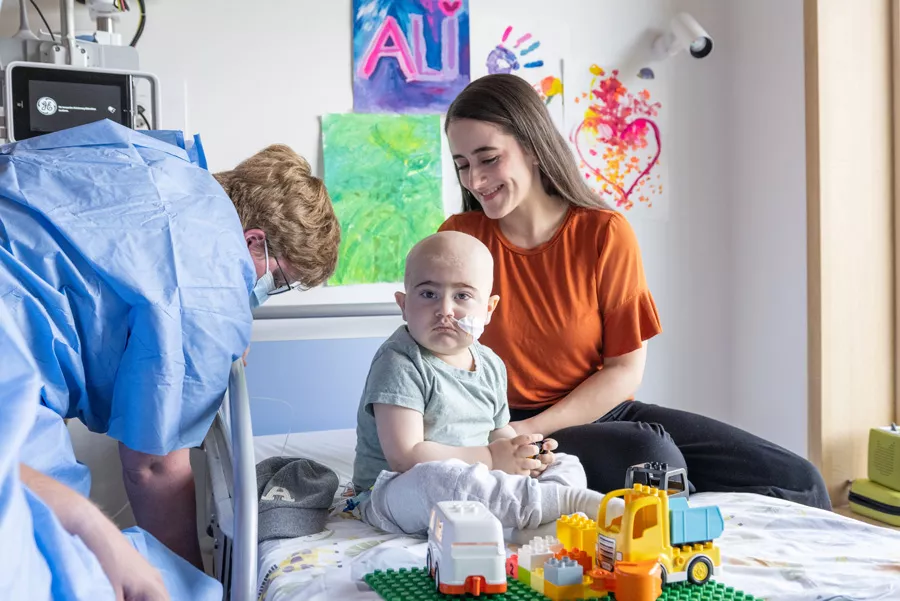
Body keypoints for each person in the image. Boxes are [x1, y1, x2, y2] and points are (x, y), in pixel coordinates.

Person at [438, 73, 831, 511]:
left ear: (531, 146)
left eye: (488, 158)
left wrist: (534, 428)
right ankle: (670, 536)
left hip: (593, 414)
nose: (474, 179)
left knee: (803, 482)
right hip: (502, 425)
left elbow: (623, 370)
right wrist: (503, 435)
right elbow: (436, 352)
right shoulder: (460, 240)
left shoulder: (604, 232)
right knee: (656, 459)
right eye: (462, 164)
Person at [0, 120, 340, 600]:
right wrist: (192, 580)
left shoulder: (158, 165)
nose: (265, 295)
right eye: (280, 282)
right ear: (253, 243)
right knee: (60, 563)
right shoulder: (210, 280)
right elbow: (155, 468)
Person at [352, 231, 614, 539]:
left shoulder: (490, 364)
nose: (445, 310)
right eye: (428, 294)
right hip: (392, 492)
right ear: (403, 305)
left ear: (488, 310)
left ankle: (535, 523)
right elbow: (405, 456)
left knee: (566, 464)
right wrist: (491, 458)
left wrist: (524, 453)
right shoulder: (399, 362)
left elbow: (497, 431)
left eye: (462, 296)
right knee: (437, 480)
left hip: (475, 475)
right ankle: (560, 505)